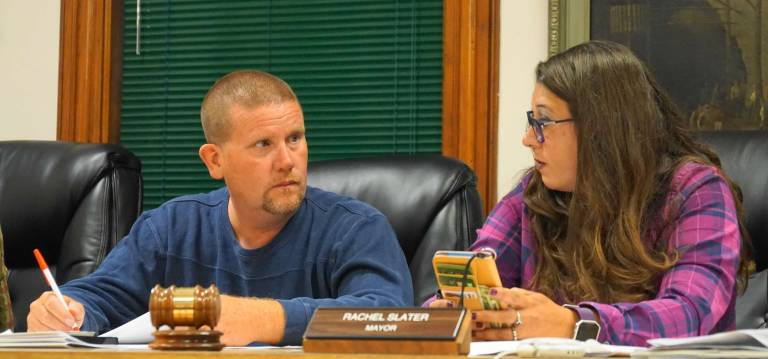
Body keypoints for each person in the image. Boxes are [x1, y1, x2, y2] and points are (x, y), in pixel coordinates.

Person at [27, 70, 414, 345]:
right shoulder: (169, 229)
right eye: (264, 144)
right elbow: (103, 298)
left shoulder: (356, 228)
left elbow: (388, 315)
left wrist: (262, 319)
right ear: (215, 161)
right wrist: (68, 311)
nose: (287, 160)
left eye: (295, 138)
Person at [428, 41, 752, 346]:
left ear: (600, 128)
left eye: (543, 122)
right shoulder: (534, 193)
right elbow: (475, 278)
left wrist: (574, 325)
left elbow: (689, 314)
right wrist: (452, 312)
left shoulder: (695, 190)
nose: (529, 139)